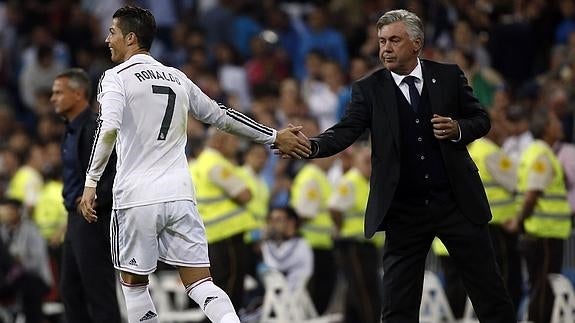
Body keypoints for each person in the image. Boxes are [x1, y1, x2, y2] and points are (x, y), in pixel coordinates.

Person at [78, 6, 309, 323]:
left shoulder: (115, 78)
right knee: (201, 283)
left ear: (130, 38)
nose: (108, 40)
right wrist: (272, 136)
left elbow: (108, 129)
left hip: (136, 197)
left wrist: (91, 182)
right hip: (180, 196)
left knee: (133, 286)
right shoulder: (177, 77)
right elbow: (221, 116)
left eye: (112, 32)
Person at [297, 9, 516, 322]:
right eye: (382, 41)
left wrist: (457, 128)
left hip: (457, 201)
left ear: (416, 44)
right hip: (403, 208)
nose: (385, 48)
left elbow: (480, 119)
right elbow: (347, 130)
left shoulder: (449, 75)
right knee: (398, 304)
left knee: (490, 293)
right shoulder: (368, 88)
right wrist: (313, 145)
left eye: (394, 40)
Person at [51, 68, 121, 322]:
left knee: (98, 290)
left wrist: (94, 197)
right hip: (74, 219)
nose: (53, 98)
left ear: (78, 93)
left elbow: (115, 170)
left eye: (59, 92)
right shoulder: (71, 128)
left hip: (92, 218)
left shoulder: (95, 128)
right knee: (70, 291)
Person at [505, 108, 572, 323]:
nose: (559, 125)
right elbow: (532, 193)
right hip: (543, 234)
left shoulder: (536, 152)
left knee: (540, 287)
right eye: (554, 122)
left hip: (543, 233)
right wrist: (519, 220)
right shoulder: (541, 155)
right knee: (543, 289)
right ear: (545, 129)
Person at [328, 144, 382, 323]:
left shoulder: (366, 182)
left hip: (366, 245)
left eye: (372, 161)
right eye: (366, 161)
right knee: (365, 290)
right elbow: (334, 207)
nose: (371, 165)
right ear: (355, 161)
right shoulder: (351, 180)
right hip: (353, 245)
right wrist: (341, 227)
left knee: (358, 290)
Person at [0, 198, 52, 323]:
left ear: (18, 211)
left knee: (29, 287)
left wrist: (20, 262)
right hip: (9, 277)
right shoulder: (2, 230)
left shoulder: (31, 230)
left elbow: (37, 261)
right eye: (4, 210)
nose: (5, 214)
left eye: (9, 210)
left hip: (34, 277)